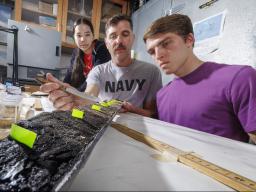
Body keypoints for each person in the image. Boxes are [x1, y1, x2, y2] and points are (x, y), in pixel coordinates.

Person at [143, 14, 256, 143]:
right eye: (152, 51)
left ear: (189, 40)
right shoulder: (162, 96)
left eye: (166, 43)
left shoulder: (239, 79)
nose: (158, 55)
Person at [41, 14, 162, 117]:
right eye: (113, 36)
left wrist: (133, 110)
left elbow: (153, 114)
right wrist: (75, 98)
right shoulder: (98, 71)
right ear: (107, 43)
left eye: (125, 34)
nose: (119, 41)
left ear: (133, 38)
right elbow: (89, 96)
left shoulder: (151, 72)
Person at [63, 17, 111, 91]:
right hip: (82, 95)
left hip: (100, 96)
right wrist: (62, 88)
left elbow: (96, 77)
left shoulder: (102, 48)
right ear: (74, 37)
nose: (83, 39)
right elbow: (68, 76)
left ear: (93, 36)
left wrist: (76, 93)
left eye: (87, 34)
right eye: (79, 35)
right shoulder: (76, 52)